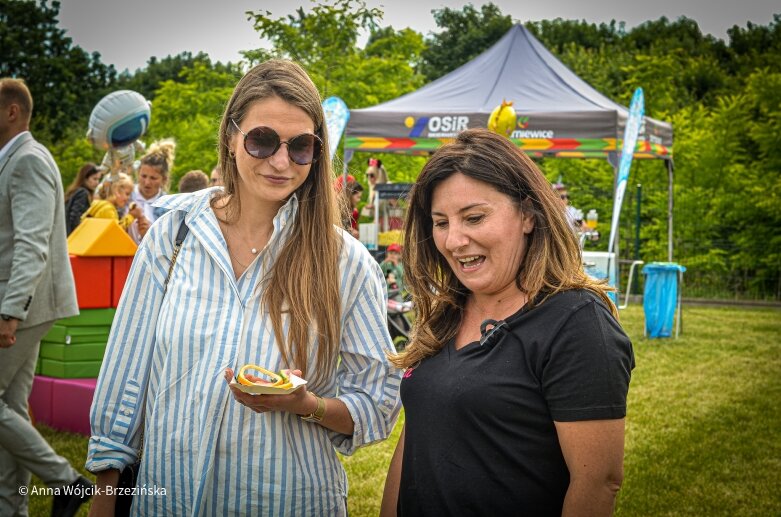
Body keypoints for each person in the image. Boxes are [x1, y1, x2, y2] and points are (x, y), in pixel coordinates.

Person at [86, 59, 402, 516]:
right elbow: (125, 380)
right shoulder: (173, 236)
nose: (280, 161)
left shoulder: (344, 263)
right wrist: (104, 497)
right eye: (262, 140)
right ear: (232, 137)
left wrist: (306, 404)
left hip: (288, 501)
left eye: (300, 147)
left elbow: (375, 404)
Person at [381, 129, 634, 516]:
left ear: (529, 214)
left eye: (474, 217)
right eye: (441, 222)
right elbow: (417, 435)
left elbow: (598, 483)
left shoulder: (576, 323)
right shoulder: (448, 311)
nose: (453, 240)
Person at [0, 77, 93, 516]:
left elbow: (33, 244)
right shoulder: (14, 160)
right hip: (22, 304)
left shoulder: (28, 161)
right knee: (10, 409)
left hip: (24, 305)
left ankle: (65, 479)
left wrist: (9, 311)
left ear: (12, 112)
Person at [127, 138, 176, 243]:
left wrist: (151, 235)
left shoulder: (168, 206)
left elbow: (170, 242)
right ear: (138, 173)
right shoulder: (125, 196)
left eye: (153, 178)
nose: (147, 182)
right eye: (143, 176)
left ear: (164, 180)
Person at [64, 162, 103, 235]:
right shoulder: (83, 193)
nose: (97, 183)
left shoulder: (74, 191)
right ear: (85, 178)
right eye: (94, 179)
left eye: (98, 179)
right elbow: (75, 218)